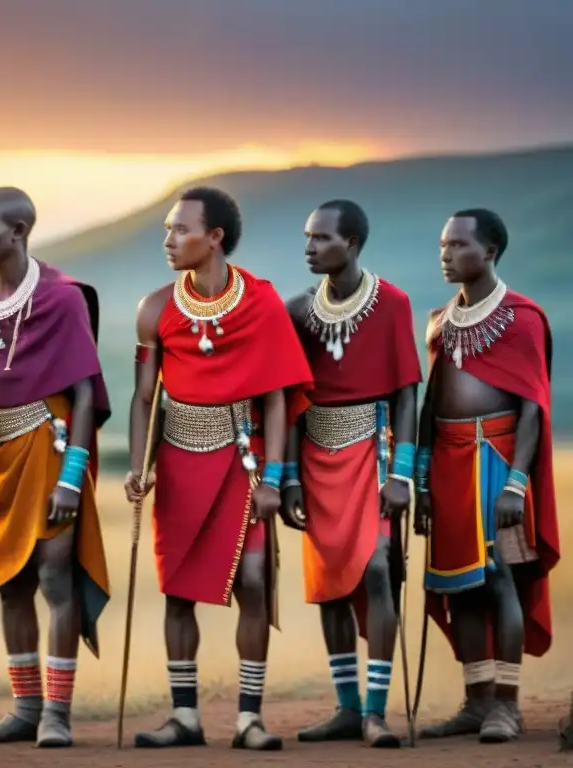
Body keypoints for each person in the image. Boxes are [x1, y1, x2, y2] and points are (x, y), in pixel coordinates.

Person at [125, 186, 313, 751]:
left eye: (180, 230)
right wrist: (140, 466)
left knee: (253, 583)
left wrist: (275, 479)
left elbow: (278, 397)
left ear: (215, 238)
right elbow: (142, 399)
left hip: (244, 456)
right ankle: (184, 718)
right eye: (166, 229)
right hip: (180, 461)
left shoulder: (261, 303)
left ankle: (248, 720)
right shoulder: (155, 307)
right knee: (178, 591)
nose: (169, 240)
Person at [0, 187, 111, 749]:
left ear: (17, 232)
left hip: (51, 444)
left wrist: (71, 476)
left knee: (56, 576)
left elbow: (85, 394)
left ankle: (57, 713)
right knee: (11, 584)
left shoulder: (62, 298)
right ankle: (25, 707)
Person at [415, 208, 559, 743]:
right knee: (461, 587)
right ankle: (475, 702)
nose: (446, 254)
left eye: (457, 245)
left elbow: (533, 407)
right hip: (448, 465)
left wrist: (517, 483)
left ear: (490, 252)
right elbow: (431, 409)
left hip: (497, 458)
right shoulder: (438, 321)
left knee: (502, 577)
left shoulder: (523, 318)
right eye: (442, 245)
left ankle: (507, 705)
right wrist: (423, 482)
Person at [282, 200, 423, 748]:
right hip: (316, 455)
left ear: (354, 244)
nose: (310, 248)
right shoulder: (297, 312)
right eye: (307, 237)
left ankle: (377, 711)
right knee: (330, 583)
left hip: (374, 452)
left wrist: (403, 473)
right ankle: (346, 706)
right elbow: (291, 401)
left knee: (379, 570)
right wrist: (290, 476)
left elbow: (407, 391)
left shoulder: (392, 304)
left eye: (321, 238)